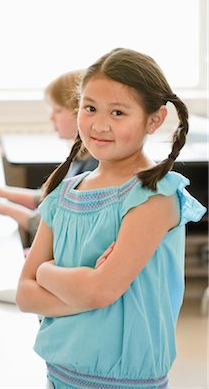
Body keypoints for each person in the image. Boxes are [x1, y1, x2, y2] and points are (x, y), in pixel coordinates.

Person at [16, 48, 206, 389]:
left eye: (118, 112)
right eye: (90, 108)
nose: (99, 124)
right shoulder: (64, 192)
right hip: (60, 374)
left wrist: (45, 271)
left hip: (125, 382)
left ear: (154, 119)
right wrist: (84, 289)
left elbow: (100, 292)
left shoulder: (154, 195)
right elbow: (25, 296)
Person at [0, 70, 98, 245]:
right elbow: (48, 199)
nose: (51, 117)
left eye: (57, 110)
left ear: (80, 112)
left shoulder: (93, 169)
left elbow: (53, 227)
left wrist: (3, 208)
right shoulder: (80, 157)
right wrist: (2, 192)